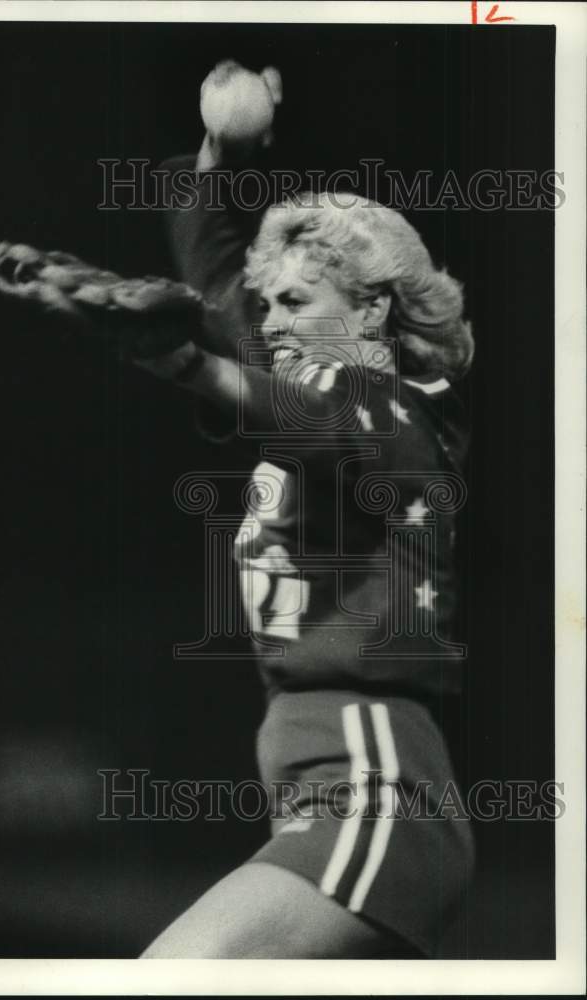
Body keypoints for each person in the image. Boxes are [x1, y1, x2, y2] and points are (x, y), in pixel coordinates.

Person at [131, 62, 476, 959]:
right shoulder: (314, 368)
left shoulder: (393, 405)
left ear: (370, 308)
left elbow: (312, 416)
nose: (269, 321)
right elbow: (212, 273)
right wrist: (219, 155)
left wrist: (184, 365)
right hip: (323, 793)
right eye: (268, 305)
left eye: (294, 301)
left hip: (375, 796)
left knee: (166, 977)